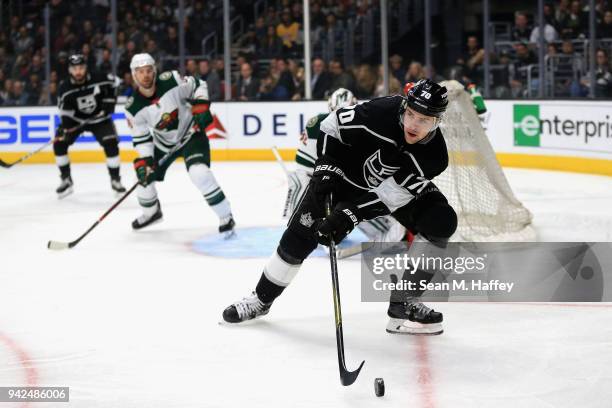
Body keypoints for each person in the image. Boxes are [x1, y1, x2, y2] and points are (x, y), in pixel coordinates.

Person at [223, 79, 457, 336]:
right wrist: (326, 167)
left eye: (423, 120)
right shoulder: (380, 112)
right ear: (404, 106)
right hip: (340, 179)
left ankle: (404, 303)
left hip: (387, 190)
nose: (413, 124)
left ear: (437, 121)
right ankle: (261, 300)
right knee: (299, 238)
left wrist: (350, 215)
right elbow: (331, 125)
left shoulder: (434, 157)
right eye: (411, 114)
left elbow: (391, 195)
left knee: (441, 221)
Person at [125, 53, 235, 236]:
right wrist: (145, 160)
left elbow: (198, 85)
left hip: (191, 134)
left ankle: (226, 215)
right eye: (140, 72)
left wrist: (201, 106)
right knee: (143, 180)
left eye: (148, 71)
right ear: (133, 75)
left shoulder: (172, 81)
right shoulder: (132, 107)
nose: (145, 75)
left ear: (154, 71)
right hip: (162, 144)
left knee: (200, 173)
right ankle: (151, 212)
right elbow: (142, 138)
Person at [285, 88, 406, 242]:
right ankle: (307, 229)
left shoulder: (366, 128)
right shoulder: (317, 125)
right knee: (299, 191)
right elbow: (306, 164)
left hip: (345, 179)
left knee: (354, 201)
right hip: (316, 175)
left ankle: (385, 232)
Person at [54, 54, 124, 198]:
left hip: (100, 118)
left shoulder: (99, 77)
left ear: (86, 68)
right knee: (59, 143)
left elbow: (116, 82)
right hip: (76, 120)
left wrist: (109, 102)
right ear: (69, 70)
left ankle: (115, 180)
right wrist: (67, 125)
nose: (78, 71)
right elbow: (64, 110)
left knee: (110, 143)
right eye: (75, 69)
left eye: (81, 68)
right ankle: (66, 179)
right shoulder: (64, 87)